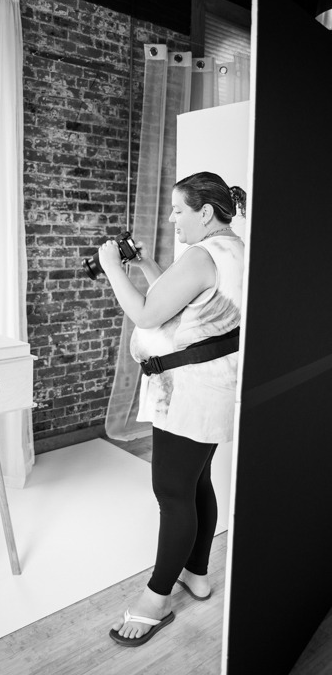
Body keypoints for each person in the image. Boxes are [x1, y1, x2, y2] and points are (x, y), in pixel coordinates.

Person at [98, 171, 246, 647]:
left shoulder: (202, 254)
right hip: (211, 388)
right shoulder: (233, 250)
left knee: (172, 491)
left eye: (178, 209)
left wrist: (111, 265)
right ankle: (197, 575)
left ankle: (155, 602)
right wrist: (144, 264)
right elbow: (181, 300)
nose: (171, 217)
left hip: (188, 391)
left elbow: (145, 313)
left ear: (204, 213)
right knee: (196, 481)